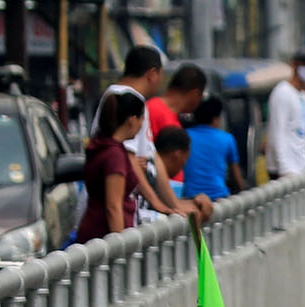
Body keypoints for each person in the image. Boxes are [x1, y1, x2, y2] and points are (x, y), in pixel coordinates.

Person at [98, 46, 190, 219]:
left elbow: (151, 155)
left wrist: (173, 204)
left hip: (131, 206)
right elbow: (129, 158)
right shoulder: (129, 100)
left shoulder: (117, 94)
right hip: (123, 206)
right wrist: (157, 203)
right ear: (153, 73)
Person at [76, 92, 147, 243]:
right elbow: (113, 206)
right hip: (104, 236)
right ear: (132, 120)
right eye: (142, 120)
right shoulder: (115, 155)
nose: (142, 126)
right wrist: (120, 246)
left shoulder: (103, 146)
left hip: (94, 230)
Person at [267, 52, 305, 179]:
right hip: (284, 170)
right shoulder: (282, 93)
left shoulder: (304, 97)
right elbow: (278, 132)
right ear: (294, 65)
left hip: (300, 166)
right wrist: (284, 168)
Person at [182, 97, 244, 202]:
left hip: (191, 197)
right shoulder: (227, 138)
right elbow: (236, 173)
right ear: (215, 119)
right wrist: (243, 191)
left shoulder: (185, 136)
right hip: (219, 196)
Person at [153, 128, 214, 222]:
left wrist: (195, 201)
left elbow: (169, 203)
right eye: (186, 159)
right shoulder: (150, 176)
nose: (184, 166)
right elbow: (167, 206)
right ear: (177, 155)